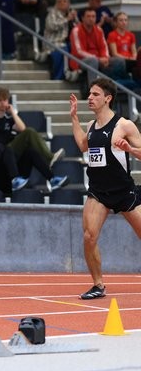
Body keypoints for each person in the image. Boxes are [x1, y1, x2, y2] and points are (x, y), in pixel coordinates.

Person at [69, 78, 141, 299]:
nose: (90, 98)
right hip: (98, 192)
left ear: (108, 98)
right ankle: (98, 285)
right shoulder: (91, 126)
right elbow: (83, 145)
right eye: (89, 94)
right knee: (89, 237)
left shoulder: (124, 125)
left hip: (124, 191)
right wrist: (74, 118)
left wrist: (129, 148)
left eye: (95, 94)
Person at [0, 87, 67, 193]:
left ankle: (52, 179)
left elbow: (21, 128)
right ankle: (48, 159)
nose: (3, 103)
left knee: (31, 152)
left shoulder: (9, 119)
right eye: (0, 100)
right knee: (28, 133)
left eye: (5, 100)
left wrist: (13, 113)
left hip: (11, 155)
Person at [69, 8, 125, 84]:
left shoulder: (99, 30)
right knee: (93, 61)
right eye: (88, 16)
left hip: (99, 59)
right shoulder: (76, 30)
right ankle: (93, 91)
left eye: (93, 16)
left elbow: (104, 47)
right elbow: (78, 51)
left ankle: (114, 86)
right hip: (80, 60)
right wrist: (98, 59)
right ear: (82, 18)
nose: (91, 19)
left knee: (119, 61)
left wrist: (105, 58)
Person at [40, 0, 77, 80]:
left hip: (66, 42)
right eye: (59, 1)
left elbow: (78, 28)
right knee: (63, 50)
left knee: (76, 49)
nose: (62, 3)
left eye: (65, 1)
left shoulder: (70, 13)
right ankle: (58, 77)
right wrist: (67, 19)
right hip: (53, 42)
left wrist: (74, 19)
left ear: (68, 3)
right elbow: (52, 26)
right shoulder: (52, 13)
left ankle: (75, 73)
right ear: (56, 3)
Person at [107, 11, 137, 77]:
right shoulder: (112, 35)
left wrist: (134, 57)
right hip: (120, 60)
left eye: (125, 20)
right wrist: (128, 58)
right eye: (121, 20)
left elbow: (134, 51)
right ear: (116, 22)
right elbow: (114, 53)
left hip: (130, 60)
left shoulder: (131, 35)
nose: (124, 22)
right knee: (121, 61)